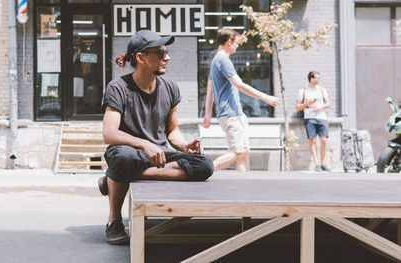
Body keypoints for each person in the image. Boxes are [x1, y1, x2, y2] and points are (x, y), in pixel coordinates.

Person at [98, 30, 214, 245]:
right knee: (125, 159)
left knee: (205, 165)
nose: (167, 57)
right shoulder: (118, 87)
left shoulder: (170, 87)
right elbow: (109, 133)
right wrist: (144, 144)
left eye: (166, 52)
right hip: (128, 150)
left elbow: (172, 130)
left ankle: (115, 177)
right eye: (160, 53)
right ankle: (114, 219)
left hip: (160, 153)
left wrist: (184, 145)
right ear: (141, 58)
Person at [202, 28, 280, 171]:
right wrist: (265, 97)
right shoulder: (222, 60)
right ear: (229, 42)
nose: (238, 46)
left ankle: (244, 183)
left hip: (235, 114)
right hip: (231, 114)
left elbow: (209, 89)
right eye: (236, 42)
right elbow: (240, 85)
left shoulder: (216, 60)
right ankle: (203, 171)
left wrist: (207, 114)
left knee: (244, 152)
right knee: (237, 152)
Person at [295, 71, 331, 171]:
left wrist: (320, 107)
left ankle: (323, 162)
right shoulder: (303, 91)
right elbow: (297, 107)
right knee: (313, 140)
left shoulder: (322, 90)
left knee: (324, 140)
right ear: (312, 79)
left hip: (322, 117)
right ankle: (317, 163)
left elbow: (328, 104)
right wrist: (306, 104)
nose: (319, 80)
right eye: (317, 78)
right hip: (310, 118)